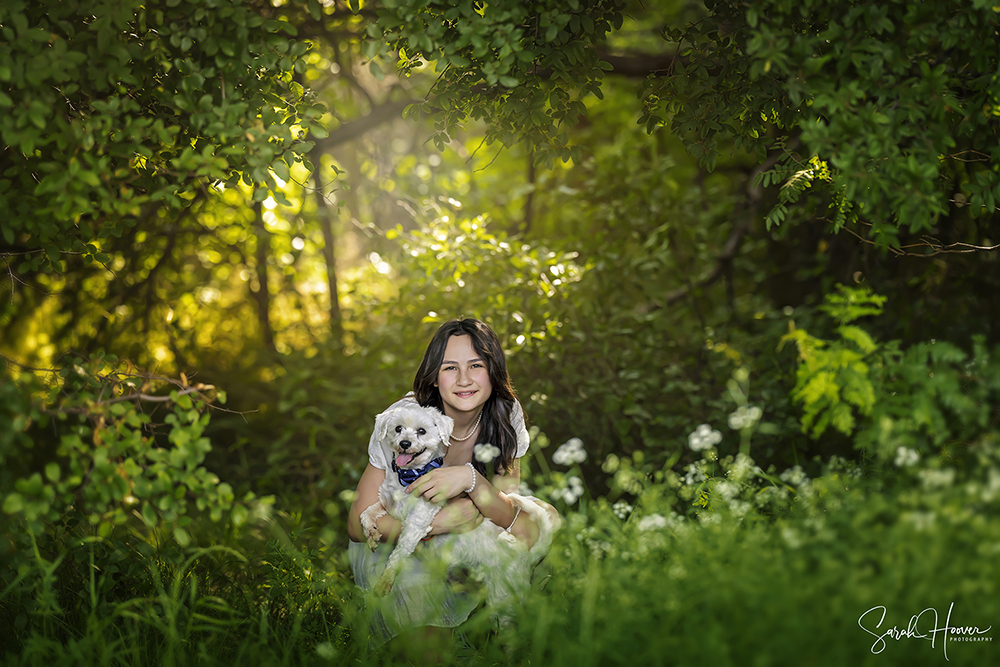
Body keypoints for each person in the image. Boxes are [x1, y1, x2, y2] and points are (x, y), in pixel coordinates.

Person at [347, 318, 560, 645]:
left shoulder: (505, 412)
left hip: (468, 540)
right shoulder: (403, 421)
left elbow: (507, 517)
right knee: (431, 650)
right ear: (433, 377)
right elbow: (356, 524)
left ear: (493, 371)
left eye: (476, 365)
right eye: (450, 368)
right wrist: (436, 525)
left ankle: (502, 616)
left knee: (542, 519)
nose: (464, 379)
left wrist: (471, 479)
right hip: (398, 540)